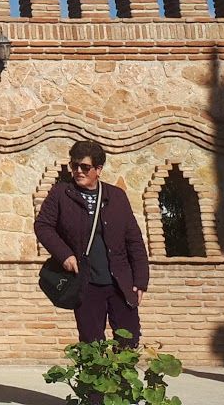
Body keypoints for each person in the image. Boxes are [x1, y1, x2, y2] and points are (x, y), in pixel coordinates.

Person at [34, 139, 149, 348]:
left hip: (120, 283)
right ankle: (94, 381)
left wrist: (141, 280)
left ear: (98, 169)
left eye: (85, 167)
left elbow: (134, 240)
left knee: (128, 339)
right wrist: (65, 255)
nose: (78, 171)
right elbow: (43, 226)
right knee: (91, 343)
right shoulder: (61, 193)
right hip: (86, 283)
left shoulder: (116, 196)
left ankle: (120, 381)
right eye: (74, 166)